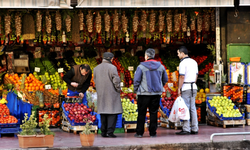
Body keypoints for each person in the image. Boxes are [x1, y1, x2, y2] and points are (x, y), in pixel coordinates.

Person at [133, 48, 168, 138]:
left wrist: (136, 90)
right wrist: (159, 86)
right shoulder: (161, 66)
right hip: (156, 94)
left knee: (141, 113)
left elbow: (136, 80)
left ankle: (139, 133)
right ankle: (153, 133)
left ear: (146, 56)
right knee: (154, 113)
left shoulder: (141, 67)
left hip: (144, 94)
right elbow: (165, 79)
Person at [94, 52, 123, 138]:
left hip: (101, 93)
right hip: (111, 93)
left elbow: (95, 81)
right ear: (111, 59)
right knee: (112, 112)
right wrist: (118, 89)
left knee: (103, 112)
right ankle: (110, 132)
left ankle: (103, 132)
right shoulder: (112, 67)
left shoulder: (96, 68)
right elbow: (116, 81)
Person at [176, 46, 199, 135]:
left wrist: (179, 88)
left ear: (182, 53)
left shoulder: (183, 63)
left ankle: (186, 128)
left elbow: (182, 76)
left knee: (185, 108)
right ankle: (194, 128)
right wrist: (193, 83)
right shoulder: (194, 62)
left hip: (186, 87)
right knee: (193, 108)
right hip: (194, 86)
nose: (178, 55)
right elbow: (196, 75)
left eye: (178, 53)